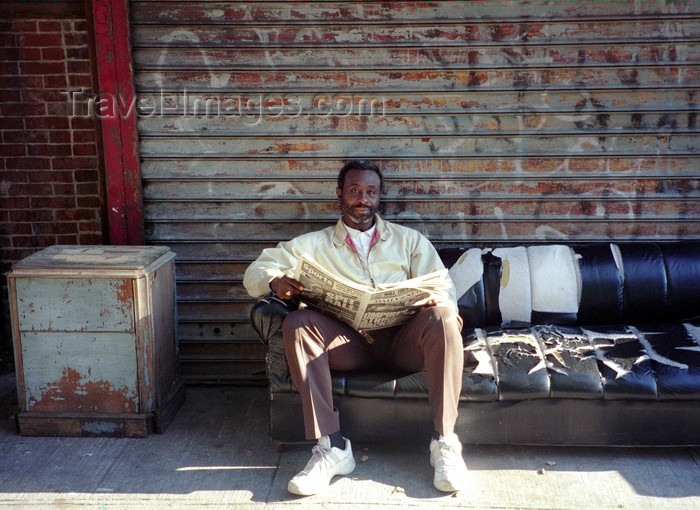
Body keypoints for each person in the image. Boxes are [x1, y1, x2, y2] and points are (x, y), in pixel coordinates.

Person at [243, 160, 468, 495]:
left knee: (444, 318)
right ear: (339, 194)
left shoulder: (410, 241)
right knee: (298, 322)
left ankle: (444, 442)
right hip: (349, 345)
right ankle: (332, 447)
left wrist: (436, 303)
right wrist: (274, 281)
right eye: (355, 191)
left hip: (403, 343)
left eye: (370, 192)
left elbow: (445, 289)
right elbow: (255, 272)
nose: (363, 199)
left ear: (379, 197)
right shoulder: (311, 245)